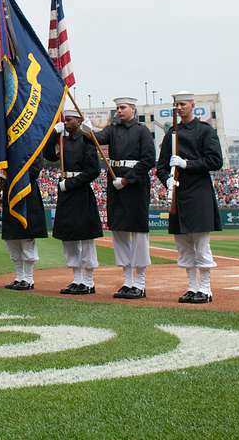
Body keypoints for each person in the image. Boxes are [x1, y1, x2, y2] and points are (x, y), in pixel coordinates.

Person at [84, 96, 156, 299]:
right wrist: (86, 128)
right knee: (119, 232)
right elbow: (96, 138)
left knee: (138, 233)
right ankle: (127, 281)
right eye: (117, 108)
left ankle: (140, 283)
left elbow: (148, 159)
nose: (119, 111)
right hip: (115, 185)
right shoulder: (113, 130)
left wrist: (127, 180)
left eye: (123, 107)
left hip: (135, 186)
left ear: (133, 109)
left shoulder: (142, 131)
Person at [157, 91, 223, 304]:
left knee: (201, 244)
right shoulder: (171, 134)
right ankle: (192, 287)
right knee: (183, 245)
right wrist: (167, 179)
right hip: (178, 192)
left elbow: (215, 161)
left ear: (192, 105)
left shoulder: (205, 131)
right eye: (176, 105)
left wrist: (188, 163)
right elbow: (160, 166)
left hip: (199, 191)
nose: (179, 108)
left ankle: (205, 288)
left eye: (183, 104)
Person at [45, 108, 103, 294]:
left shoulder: (86, 140)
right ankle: (77, 278)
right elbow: (48, 155)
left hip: (80, 191)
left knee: (85, 238)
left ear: (78, 121)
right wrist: (54, 133)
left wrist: (70, 184)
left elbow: (93, 170)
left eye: (69, 119)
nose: (66, 122)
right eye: (64, 119)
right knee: (68, 238)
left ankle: (88, 281)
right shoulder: (61, 139)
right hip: (65, 192)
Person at [0, 159, 48, 291]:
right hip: (10, 191)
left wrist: (14, 176)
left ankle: (28, 279)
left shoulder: (33, 143)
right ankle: (19, 277)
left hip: (27, 191)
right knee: (12, 238)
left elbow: (35, 170)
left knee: (26, 238)